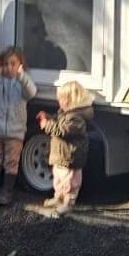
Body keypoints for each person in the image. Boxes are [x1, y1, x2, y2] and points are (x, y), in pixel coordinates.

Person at [0, 46, 36, 207]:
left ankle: (6, 192)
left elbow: (31, 93)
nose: (9, 67)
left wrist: (21, 76)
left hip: (15, 132)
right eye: (5, 64)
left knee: (11, 162)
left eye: (13, 64)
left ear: (20, 65)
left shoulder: (23, 81)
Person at [36, 80, 93, 217]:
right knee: (58, 178)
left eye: (61, 98)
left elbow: (63, 130)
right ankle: (59, 198)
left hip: (70, 156)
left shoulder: (76, 117)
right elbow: (58, 121)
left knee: (70, 182)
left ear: (70, 100)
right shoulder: (65, 113)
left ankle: (68, 204)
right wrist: (48, 117)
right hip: (62, 155)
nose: (59, 101)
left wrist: (47, 125)